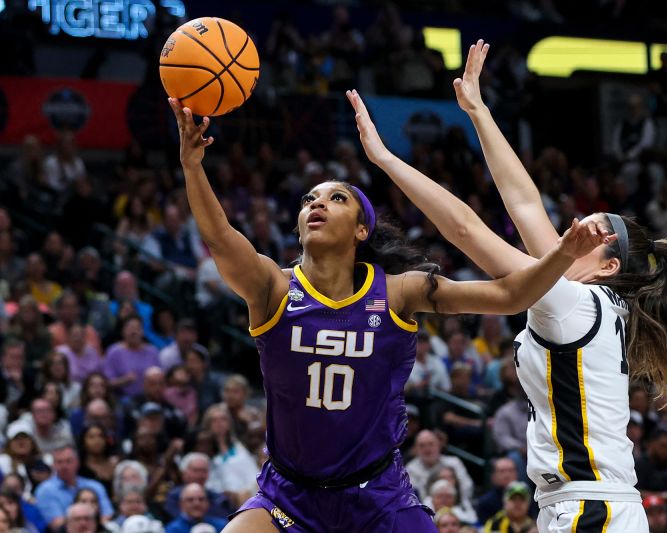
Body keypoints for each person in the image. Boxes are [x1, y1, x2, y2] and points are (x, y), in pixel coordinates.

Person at [168, 93, 610, 533]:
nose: (316, 204)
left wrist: (560, 255)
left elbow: (511, 295)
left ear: (362, 229)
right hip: (289, 494)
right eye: (309, 199)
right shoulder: (274, 288)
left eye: (336, 197)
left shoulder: (400, 292)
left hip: (376, 494)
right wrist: (192, 165)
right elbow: (222, 237)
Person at [349, 39, 667, 532]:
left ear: (606, 266)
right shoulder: (593, 301)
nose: (570, 229)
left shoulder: (576, 304)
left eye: (588, 232)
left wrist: (386, 160)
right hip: (587, 507)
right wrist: (478, 109)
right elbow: (527, 204)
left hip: (589, 511)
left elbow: (467, 231)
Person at [33, 445, 113, 531]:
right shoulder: (45, 490)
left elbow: (107, 515)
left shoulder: (95, 486)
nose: (64, 466)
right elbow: (57, 524)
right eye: (59, 462)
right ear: (53, 465)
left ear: (77, 462)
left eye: (68, 461)